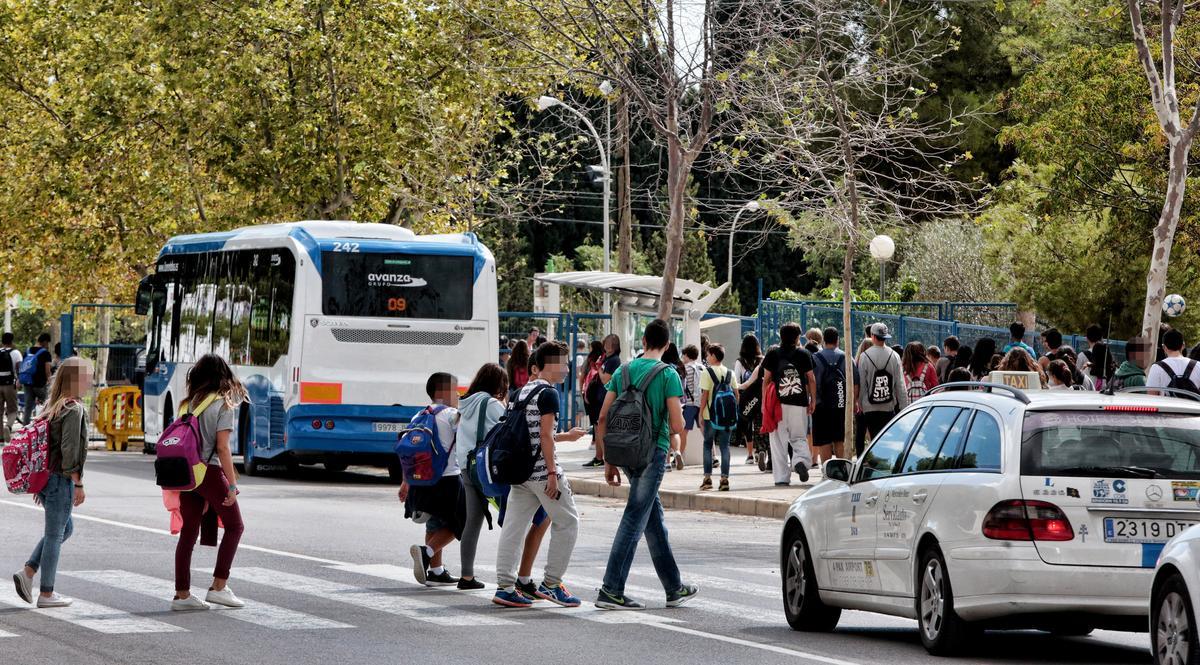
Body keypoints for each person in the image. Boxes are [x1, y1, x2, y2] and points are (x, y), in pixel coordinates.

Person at [594, 319, 698, 610]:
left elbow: (602, 417)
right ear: (667, 345)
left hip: (625, 452)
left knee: (653, 521)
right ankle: (611, 589)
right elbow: (677, 425)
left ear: (643, 341)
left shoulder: (623, 371)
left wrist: (607, 460)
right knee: (634, 518)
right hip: (652, 453)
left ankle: (674, 588)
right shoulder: (668, 374)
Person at [493, 342, 586, 609]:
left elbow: (532, 434)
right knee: (568, 522)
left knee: (513, 528)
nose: (566, 369)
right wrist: (553, 473)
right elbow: (544, 436)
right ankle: (552, 584)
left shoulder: (521, 392)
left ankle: (505, 586)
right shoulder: (549, 394)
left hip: (520, 473)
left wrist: (564, 438)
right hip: (543, 473)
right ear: (546, 365)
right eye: (562, 364)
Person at [12, 357, 92, 609]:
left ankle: (28, 572)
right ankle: (46, 593)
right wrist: (78, 483)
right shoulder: (74, 409)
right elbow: (69, 450)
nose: (90, 383)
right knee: (55, 535)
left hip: (47, 479)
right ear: (76, 380)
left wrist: (40, 484)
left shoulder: (52, 406)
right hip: (60, 480)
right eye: (87, 377)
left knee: (64, 529)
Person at [170, 354, 247, 611]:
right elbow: (223, 448)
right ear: (223, 376)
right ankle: (219, 586)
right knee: (235, 526)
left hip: (186, 474)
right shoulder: (223, 404)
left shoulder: (187, 404)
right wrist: (232, 485)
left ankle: (182, 595)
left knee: (188, 533)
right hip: (210, 473)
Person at [403, 373, 465, 588]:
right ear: (442, 392)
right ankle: (426, 552)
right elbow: (467, 439)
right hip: (447, 479)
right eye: (455, 390)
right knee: (461, 523)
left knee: (434, 522)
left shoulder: (418, 415)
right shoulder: (452, 415)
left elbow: (409, 452)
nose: (458, 394)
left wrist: (406, 482)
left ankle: (436, 571)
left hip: (422, 480)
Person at [451, 364, 508, 591]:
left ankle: (466, 576)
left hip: (467, 468)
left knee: (472, 522)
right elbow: (508, 430)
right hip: (487, 469)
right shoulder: (491, 404)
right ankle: (512, 577)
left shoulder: (465, 403)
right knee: (512, 519)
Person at [762, 322, 817, 485]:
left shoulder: (772, 354)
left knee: (778, 441)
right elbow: (811, 379)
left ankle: (781, 478)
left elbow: (766, 380)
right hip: (799, 404)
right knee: (799, 437)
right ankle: (800, 461)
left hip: (777, 404)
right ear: (797, 337)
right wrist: (813, 400)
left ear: (781, 336)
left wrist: (764, 404)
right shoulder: (804, 354)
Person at [856, 323, 910, 441]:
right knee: (887, 441)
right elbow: (900, 385)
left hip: (869, 408)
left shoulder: (864, 356)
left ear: (872, 336)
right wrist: (903, 407)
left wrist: (860, 404)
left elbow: (862, 385)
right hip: (888, 407)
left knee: (874, 440)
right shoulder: (894, 356)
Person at [698, 344, 737, 491]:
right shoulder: (730, 373)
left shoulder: (707, 372)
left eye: (708, 355)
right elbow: (736, 395)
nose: (707, 357)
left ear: (714, 356)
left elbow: (705, 395)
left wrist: (700, 413)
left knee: (708, 445)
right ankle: (724, 479)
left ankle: (707, 479)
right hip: (727, 418)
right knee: (725, 447)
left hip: (710, 416)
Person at [582, 335, 621, 468]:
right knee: (598, 428)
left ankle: (606, 459)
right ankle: (599, 457)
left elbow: (606, 379)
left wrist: (598, 369)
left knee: (602, 428)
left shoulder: (614, 360)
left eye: (611, 343)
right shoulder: (606, 359)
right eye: (606, 343)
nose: (607, 346)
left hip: (605, 399)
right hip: (598, 399)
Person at [811, 327, 848, 461]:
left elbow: (811, 381)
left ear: (824, 341)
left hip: (820, 405)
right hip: (841, 404)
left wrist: (812, 400)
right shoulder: (846, 357)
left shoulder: (815, 358)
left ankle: (827, 469)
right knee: (840, 439)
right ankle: (842, 468)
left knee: (824, 440)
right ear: (837, 340)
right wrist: (854, 401)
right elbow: (855, 382)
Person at [734, 335, 765, 466]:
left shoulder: (740, 362)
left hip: (745, 397)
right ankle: (760, 449)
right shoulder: (762, 360)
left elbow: (736, 380)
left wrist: (737, 397)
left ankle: (750, 455)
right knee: (759, 423)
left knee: (747, 424)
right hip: (760, 396)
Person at [1147, 329, 1200, 397]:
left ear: (1164, 347)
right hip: (1192, 404)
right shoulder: (1198, 365)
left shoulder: (1156, 367)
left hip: (1166, 404)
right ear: (1183, 346)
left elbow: (1151, 396)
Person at [21, 333, 52, 425]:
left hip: (27, 383)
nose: (48, 345)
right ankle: (45, 426)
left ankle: (25, 428)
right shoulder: (45, 353)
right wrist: (50, 381)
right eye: (48, 343)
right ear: (45, 342)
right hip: (40, 384)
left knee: (28, 408)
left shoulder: (27, 351)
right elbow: (47, 371)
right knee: (47, 405)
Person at [681, 345, 704, 464]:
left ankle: (679, 456)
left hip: (689, 404)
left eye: (683, 355)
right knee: (705, 431)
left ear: (686, 355)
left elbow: (682, 388)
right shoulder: (702, 368)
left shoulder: (685, 369)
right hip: (701, 403)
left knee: (683, 432)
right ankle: (713, 456)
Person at [0, 333, 21, 441]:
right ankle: (8, 426)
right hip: (10, 385)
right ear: (12, 341)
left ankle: (0, 437)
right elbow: (19, 369)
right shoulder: (16, 353)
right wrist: (19, 381)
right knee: (13, 410)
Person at [579, 340, 604, 428]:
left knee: (593, 419)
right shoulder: (604, 360)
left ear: (592, 348)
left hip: (590, 392)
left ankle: (595, 435)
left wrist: (581, 392)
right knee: (600, 418)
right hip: (601, 392)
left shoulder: (588, 361)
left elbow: (582, 378)